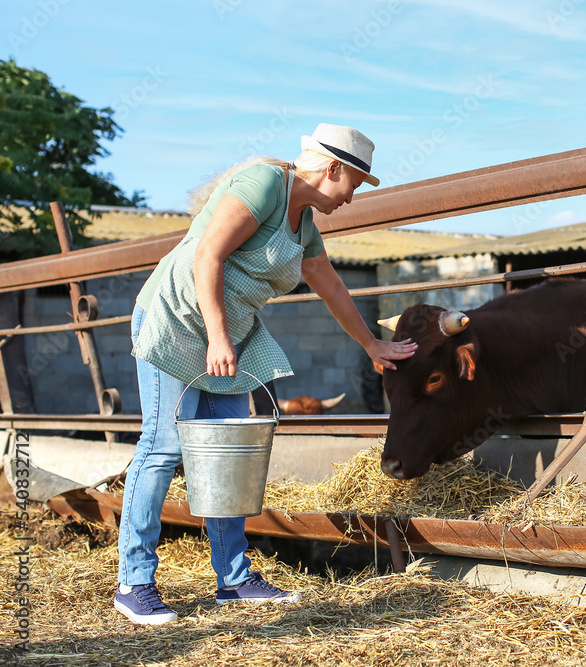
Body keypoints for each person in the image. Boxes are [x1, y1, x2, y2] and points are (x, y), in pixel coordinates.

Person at [115, 124, 417, 624]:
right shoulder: (262, 184)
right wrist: (216, 336)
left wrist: (371, 343)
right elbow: (208, 254)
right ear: (333, 169)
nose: (354, 196)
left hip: (227, 336)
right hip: (177, 320)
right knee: (163, 445)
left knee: (231, 453)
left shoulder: (305, 225)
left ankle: (233, 578)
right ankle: (135, 581)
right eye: (356, 184)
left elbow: (333, 288)